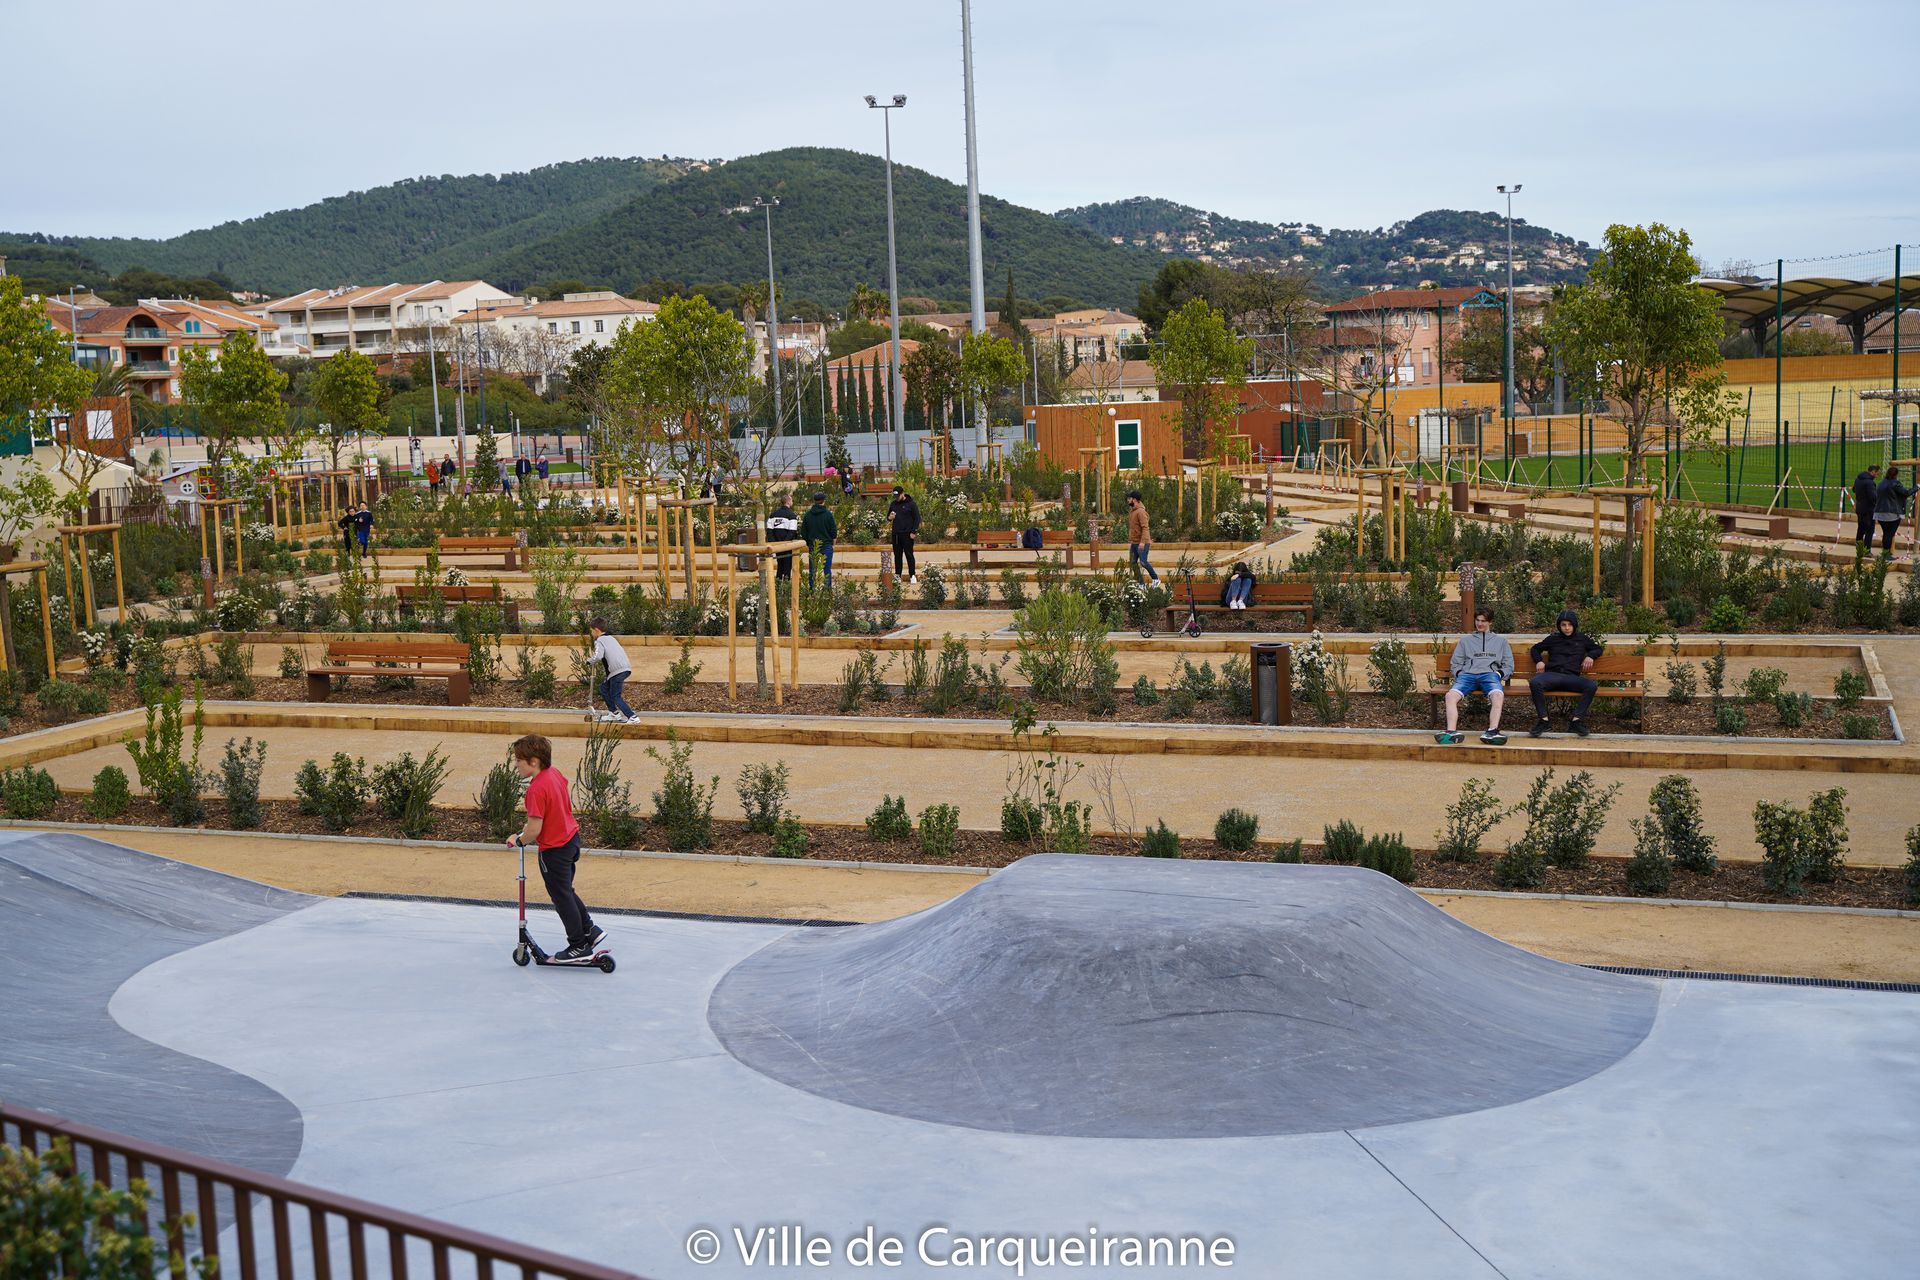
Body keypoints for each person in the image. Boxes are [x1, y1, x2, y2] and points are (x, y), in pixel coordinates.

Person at [506, 734, 605, 962]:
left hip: (554, 849)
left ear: (533, 761)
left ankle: (578, 945)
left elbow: (534, 830)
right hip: (571, 840)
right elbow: (551, 810)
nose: (515, 765)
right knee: (566, 890)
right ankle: (590, 930)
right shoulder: (554, 774)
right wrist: (527, 830)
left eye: (518, 760)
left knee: (561, 897)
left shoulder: (535, 790)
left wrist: (519, 840)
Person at [1439, 608, 1512, 745]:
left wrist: (1498, 674)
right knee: (1450, 696)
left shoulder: (1501, 642)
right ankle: (1451, 733)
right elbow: (1456, 663)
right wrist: (1460, 674)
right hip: (1468, 675)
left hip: (1490, 675)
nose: (1479, 624)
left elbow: (1508, 665)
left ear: (1490, 622)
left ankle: (1492, 732)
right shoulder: (1465, 641)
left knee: (1498, 695)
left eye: (1483, 621)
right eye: (1477, 620)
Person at [1527, 609, 1603, 738]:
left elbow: (1597, 649)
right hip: (1552, 676)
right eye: (1563, 625)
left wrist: (1590, 656)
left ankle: (1576, 722)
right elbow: (1535, 649)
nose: (1567, 628)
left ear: (1574, 625)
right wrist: (1539, 661)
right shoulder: (1553, 638)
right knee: (1535, 682)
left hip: (1571, 678)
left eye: (1570, 624)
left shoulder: (1582, 639)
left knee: (1591, 686)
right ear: (1559, 626)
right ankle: (1544, 722)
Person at [587, 618, 636, 723]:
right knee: (604, 688)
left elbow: (598, 656)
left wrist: (589, 661)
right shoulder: (611, 638)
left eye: (591, 631)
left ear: (596, 630)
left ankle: (632, 717)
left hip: (617, 671)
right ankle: (613, 713)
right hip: (623, 668)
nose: (591, 633)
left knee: (615, 697)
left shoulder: (600, 640)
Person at [800, 490, 837, 589]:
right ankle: (827, 590)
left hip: (813, 545)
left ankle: (812, 589)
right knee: (827, 570)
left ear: (814, 500)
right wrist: (833, 543)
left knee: (813, 570)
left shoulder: (808, 515)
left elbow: (803, 532)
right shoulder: (828, 514)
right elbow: (833, 531)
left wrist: (808, 542)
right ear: (824, 500)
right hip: (826, 544)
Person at [1874, 464, 1912, 555]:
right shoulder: (1895, 483)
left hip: (1879, 512)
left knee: (1886, 533)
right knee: (1889, 534)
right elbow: (1906, 493)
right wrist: (1916, 487)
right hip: (1891, 513)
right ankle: (1886, 554)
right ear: (1896, 475)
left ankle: (1885, 553)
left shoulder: (1882, 482)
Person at [887, 485, 920, 584]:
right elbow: (888, 517)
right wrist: (890, 517)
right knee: (897, 556)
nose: (896, 498)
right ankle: (898, 575)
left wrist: (914, 531)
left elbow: (917, 518)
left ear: (903, 494)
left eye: (898, 496)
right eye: (895, 496)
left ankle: (912, 575)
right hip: (896, 534)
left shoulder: (911, 504)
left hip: (907, 534)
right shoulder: (893, 504)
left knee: (909, 555)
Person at [1126, 490, 1158, 584]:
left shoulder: (1140, 512)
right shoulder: (1133, 511)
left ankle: (1156, 579)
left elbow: (1145, 527)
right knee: (1133, 563)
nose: (1128, 500)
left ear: (1134, 500)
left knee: (1143, 562)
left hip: (1142, 543)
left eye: (1129, 498)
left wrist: (1143, 542)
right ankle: (1141, 584)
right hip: (1134, 542)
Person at [767, 490, 799, 580]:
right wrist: (785, 544)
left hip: (776, 545)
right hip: (787, 546)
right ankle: (786, 583)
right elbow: (792, 532)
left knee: (780, 565)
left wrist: (774, 543)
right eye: (791, 500)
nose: (792, 502)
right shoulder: (792, 515)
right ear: (788, 502)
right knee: (787, 566)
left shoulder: (773, 515)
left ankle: (778, 582)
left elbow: (769, 531)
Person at [1852, 463, 1881, 551]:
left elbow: (1854, 489)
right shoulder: (1870, 482)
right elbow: (1873, 497)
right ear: (1873, 471)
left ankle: (1859, 549)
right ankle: (1867, 550)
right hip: (1868, 510)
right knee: (1869, 530)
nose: (1878, 475)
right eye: (1877, 473)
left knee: (1861, 529)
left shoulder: (1858, 479)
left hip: (1859, 508)